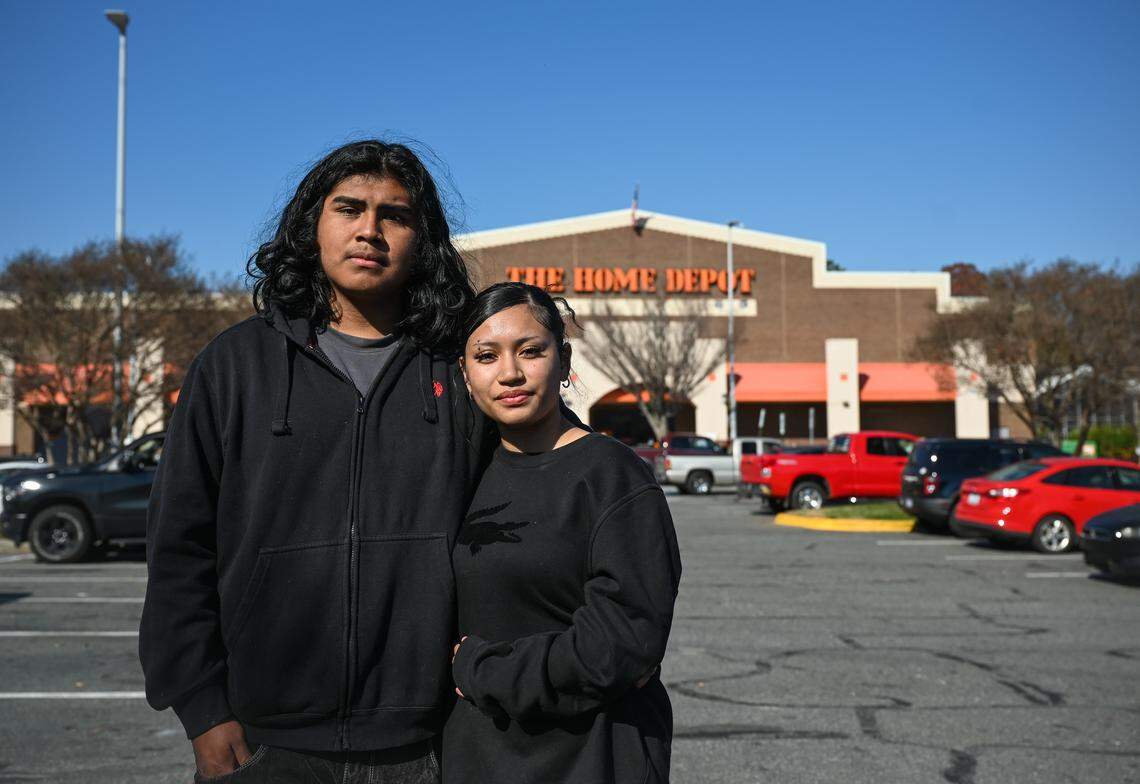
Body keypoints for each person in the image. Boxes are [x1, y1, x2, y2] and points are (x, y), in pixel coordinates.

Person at [139, 140, 491, 783]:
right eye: (348, 208)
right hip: (261, 737)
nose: (369, 230)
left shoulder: (461, 365)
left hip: (428, 739)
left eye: (395, 215)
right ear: (313, 225)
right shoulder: (235, 365)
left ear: (422, 238)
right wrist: (201, 708)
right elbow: (178, 549)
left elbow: (533, 497)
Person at [444, 282, 682, 783]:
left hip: (592, 757)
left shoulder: (612, 476)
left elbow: (622, 645)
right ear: (465, 375)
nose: (510, 372)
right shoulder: (462, 475)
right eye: (486, 356)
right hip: (481, 758)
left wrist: (482, 669)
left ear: (563, 357)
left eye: (531, 351)